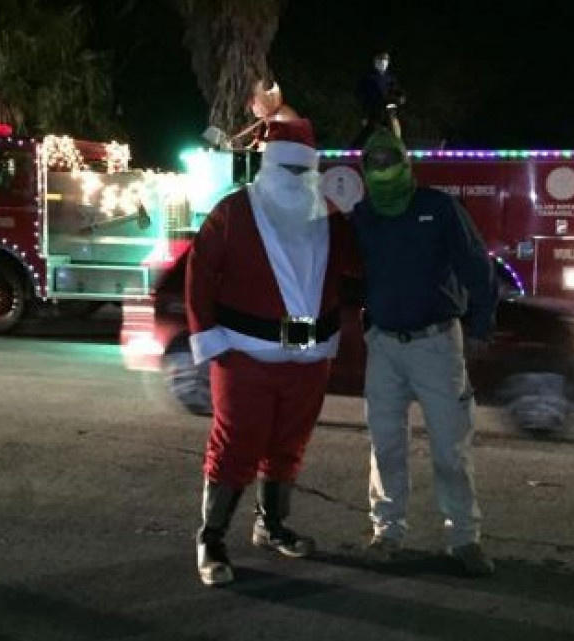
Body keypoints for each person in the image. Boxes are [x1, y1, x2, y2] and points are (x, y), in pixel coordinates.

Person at [185, 118, 356, 587]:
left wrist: (365, 214)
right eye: (288, 171)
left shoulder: (331, 216)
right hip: (245, 355)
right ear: (269, 167)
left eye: (305, 173)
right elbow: (198, 275)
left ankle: (272, 524)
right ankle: (212, 538)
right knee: (235, 443)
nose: (297, 182)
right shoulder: (234, 212)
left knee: (288, 445)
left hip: (309, 358)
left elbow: (358, 264)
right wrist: (208, 335)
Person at [348, 129, 498, 576]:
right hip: (385, 347)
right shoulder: (362, 216)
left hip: (436, 344)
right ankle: (387, 531)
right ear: (364, 169)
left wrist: (481, 326)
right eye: (372, 161)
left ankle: (464, 538)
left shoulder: (439, 208)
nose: (382, 168)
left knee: (451, 449)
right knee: (386, 445)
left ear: (405, 161)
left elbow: (478, 266)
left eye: (388, 158)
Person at [353, 51, 405, 148]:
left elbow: (397, 91)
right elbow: (360, 96)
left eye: (385, 60)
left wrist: (400, 97)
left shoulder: (391, 78)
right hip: (373, 110)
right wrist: (364, 113)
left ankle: (398, 146)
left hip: (388, 108)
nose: (383, 63)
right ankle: (355, 149)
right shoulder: (367, 78)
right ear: (375, 62)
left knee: (394, 126)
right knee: (369, 130)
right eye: (380, 60)